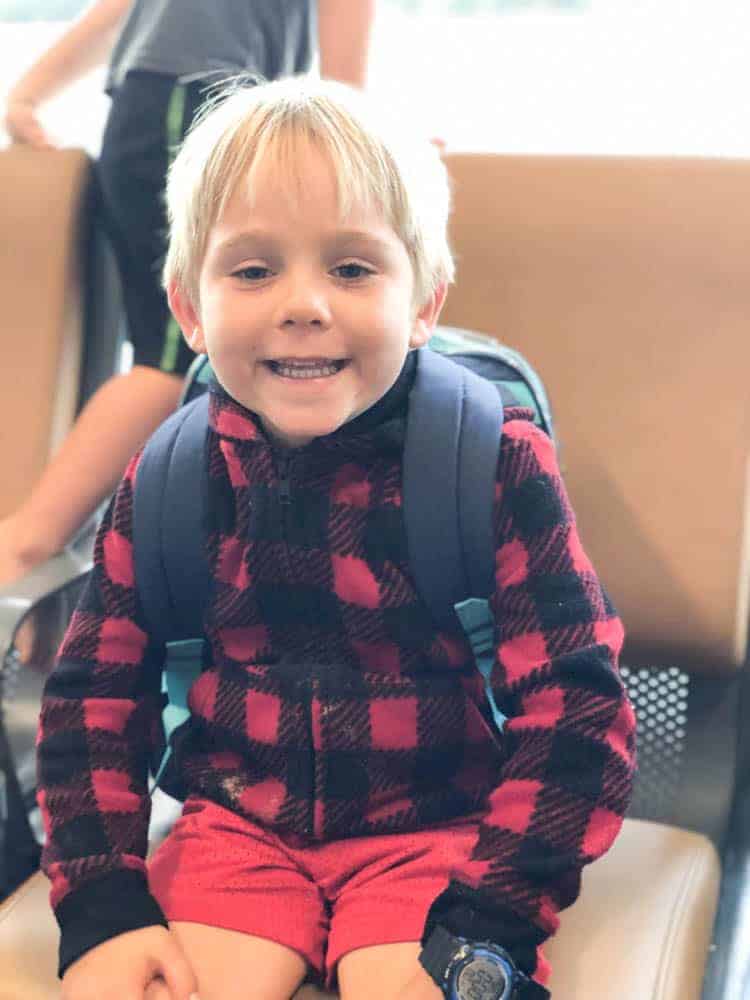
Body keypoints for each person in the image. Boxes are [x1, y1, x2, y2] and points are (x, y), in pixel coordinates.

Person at [36, 76, 636, 1000]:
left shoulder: (493, 464)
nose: (303, 304)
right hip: (236, 832)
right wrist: (103, 904)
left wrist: (494, 913)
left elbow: (576, 706)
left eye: (351, 269)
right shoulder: (169, 478)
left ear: (424, 302)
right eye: (251, 270)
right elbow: (92, 699)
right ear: (188, 311)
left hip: (439, 833)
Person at [0, 0, 375, 588]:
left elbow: (121, 9)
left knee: (173, 349)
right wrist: (358, 145)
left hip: (152, 107)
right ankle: (23, 543)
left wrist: (28, 93)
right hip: (197, 106)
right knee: (176, 357)